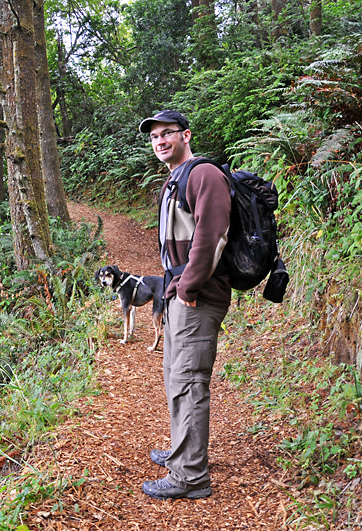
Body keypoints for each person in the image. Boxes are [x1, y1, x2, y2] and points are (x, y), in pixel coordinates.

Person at [138, 110, 232, 500]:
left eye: (167, 134)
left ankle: (191, 476)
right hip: (179, 292)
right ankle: (183, 453)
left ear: (185, 135)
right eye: (154, 136)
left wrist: (188, 288)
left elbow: (212, 237)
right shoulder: (174, 179)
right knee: (176, 379)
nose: (160, 141)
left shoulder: (203, 175)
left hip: (198, 296)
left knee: (189, 382)